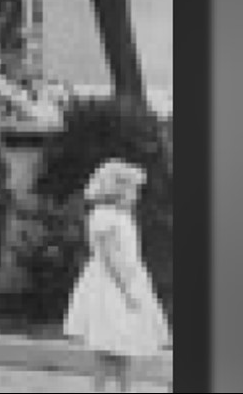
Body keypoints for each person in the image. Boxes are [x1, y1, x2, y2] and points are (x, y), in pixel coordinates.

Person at [63, 160, 169, 392]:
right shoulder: (105, 217)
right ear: (118, 191)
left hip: (127, 279)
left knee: (125, 346)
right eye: (134, 190)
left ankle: (125, 389)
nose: (136, 196)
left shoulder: (120, 216)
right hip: (112, 286)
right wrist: (128, 290)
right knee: (107, 347)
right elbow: (111, 260)